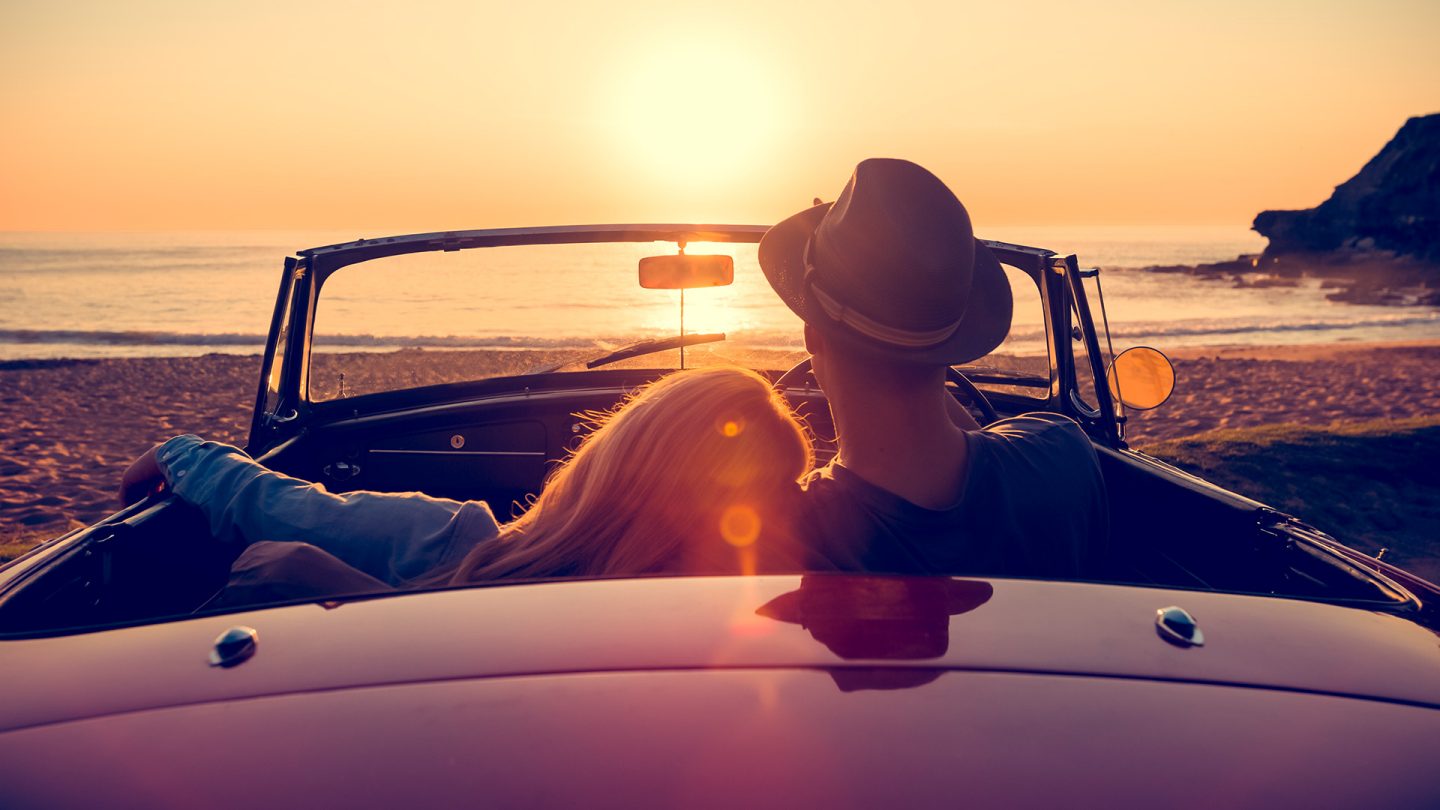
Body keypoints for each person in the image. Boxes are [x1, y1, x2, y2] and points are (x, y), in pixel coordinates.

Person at [119, 366, 812, 603]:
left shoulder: (460, 544)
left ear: (612, 465)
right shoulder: (754, 624)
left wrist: (179, 453)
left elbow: (282, 508)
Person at [757, 158, 1108, 578]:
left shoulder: (786, 535)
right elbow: (978, 469)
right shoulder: (1062, 455)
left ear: (811, 336)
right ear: (955, 340)